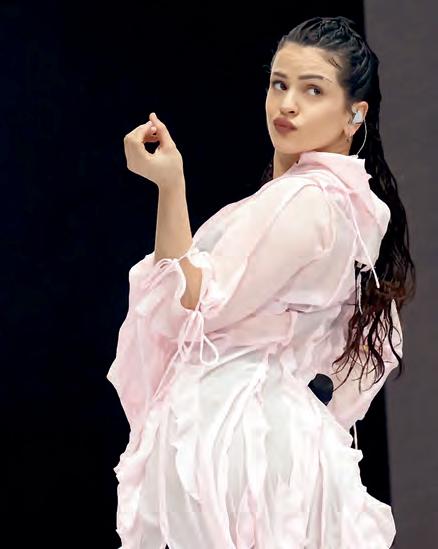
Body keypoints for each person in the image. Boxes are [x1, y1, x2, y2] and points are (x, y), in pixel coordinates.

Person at [107, 16, 416, 549]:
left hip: (236, 433)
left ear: (355, 114)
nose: (287, 104)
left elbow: (193, 306)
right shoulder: (346, 204)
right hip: (265, 430)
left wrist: (171, 185)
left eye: (312, 90)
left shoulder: (308, 200)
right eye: (279, 84)